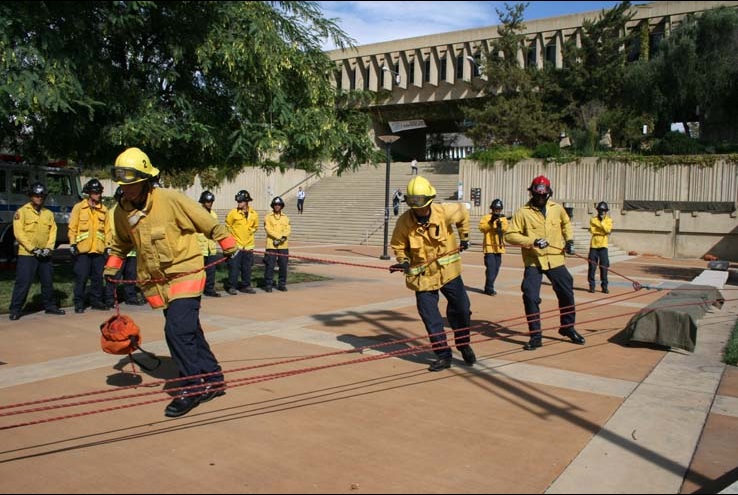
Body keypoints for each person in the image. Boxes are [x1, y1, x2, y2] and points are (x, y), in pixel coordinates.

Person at [104, 147, 238, 418]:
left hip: (186, 273)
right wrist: (112, 267)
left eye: (132, 185)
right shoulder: (122, 211)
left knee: (176, 331)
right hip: (158, 282)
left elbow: (205, 221)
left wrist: (226, 242)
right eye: (123, 186)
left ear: (146, 180)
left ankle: (191, 386)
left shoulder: (171, 199)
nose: (127, 190)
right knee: (189, 331)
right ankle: (213, 378)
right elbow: (120, 243)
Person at [389, 176, 476, 372]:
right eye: (413, 205)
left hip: (449, 272)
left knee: (462, 309)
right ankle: (443, 355)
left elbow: (463, 212)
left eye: (420, 205)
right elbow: (398, 245)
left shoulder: (444, 211)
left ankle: (463, 344)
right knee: (430, 316)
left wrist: (464, 238)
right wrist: (402, 261)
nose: (417, 210)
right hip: (423, 278)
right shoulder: (404, 222)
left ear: (429, 200)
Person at [504, 175, 585, 350]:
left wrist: (569, 241)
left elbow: (566, 224)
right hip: (534, 260)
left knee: (566, 291)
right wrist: (532, 241)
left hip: (555, 258)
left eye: (543, 195)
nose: (540, 198)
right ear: (532, 193)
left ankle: (567, 327)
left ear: (548, 194)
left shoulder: (557, 209)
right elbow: (509, 235)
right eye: (537, 195)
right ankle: (536, 336)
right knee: (530, 295)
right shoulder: (522, 212)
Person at [9, 182, 66, 320]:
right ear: (30, 196)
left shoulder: (48, 214)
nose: (39, 198)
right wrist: (33, 249)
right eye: (36, 195)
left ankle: (50, 306)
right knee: (23, 282)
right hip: (28, 254)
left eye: (41, 196)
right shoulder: (21, 212)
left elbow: (53, 231)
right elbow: (19, 233)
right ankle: (16, 309)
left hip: (45, 254)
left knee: (47, 281)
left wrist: (48, 248)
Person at [69, 178, 109, 313]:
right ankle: (79, 303)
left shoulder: (104, 209)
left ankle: (96, 301)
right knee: (81, 277)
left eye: (99, 192)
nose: (97, 194)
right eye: (94, 192)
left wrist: (108, 246)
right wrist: (73, 243)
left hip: (98, 249)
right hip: (83, 250)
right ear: (88, 193)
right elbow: (72, 227)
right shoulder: (79, 208)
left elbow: (108, 230)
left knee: (97, 278)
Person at [104, 186, 144, 306]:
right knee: (113, 275)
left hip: (131, 250)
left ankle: (130, 297)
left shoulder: (133, 212)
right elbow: (109, 230)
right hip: (117, 249)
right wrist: (109, 246)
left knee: (130, 276)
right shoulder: (112, 212)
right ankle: (110, 299)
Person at [225, 189, 258, 294]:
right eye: (238, 201)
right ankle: (232, 286)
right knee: (234, 267)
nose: (239, 203)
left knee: (247, 268)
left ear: (246, 202)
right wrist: (231, 238)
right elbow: (227, 225)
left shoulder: (254, 214)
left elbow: (255, 226)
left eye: (241, 201)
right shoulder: (233, 213)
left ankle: (246, 286)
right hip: (237, 246)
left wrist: (251, 230)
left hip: (248, 245)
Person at [478, 198, 508, 296]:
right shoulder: (486, 217)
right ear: (492, 208)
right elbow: (482, 228)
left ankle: (488, 286)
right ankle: (490, 288)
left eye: (499, 209)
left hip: (499, 247)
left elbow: (505, 229)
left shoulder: (503, 218)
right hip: (489, 247)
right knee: (491, 268)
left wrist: (499, 225)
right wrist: (491, 222)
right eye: (495, 209)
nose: (497, 211)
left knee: (496, 268)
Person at [263, 196, 291, 292]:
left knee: (283, 266)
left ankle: (282, 284)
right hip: (271, 245)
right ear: (273, 206)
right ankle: (268, 284)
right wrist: (279, 237)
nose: (277, 206)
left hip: (283, 245)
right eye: (275, 204)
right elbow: (268, 229)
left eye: (279, 204)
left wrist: (283, 237)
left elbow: (288, 229)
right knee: (270, 266)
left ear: (282, 206)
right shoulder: (268, 217)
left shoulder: (286, 218)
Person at [197, 191, 221, 297]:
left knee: (211, 271)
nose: (209, 203)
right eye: (207, 201)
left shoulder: (214, 215)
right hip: (200, 247)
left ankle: (209, 289)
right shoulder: (197, 213)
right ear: (202, 202)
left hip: (211, 246)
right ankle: (197, 290)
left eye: (211, 201)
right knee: (198, 272)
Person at [588, 201, 613, 294]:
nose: (602, 212)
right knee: (592, 267)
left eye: (604, 210)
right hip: (594, 246)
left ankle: (604, 287)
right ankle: (592, 286)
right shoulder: (593, 219)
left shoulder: (609, 220)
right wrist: (603, 229)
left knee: (604, 267)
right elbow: (593, 230)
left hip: (603, 246)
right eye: (600, 210)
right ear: (597, 210)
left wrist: (602, 223)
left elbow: (608, 230)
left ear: (606, 211)